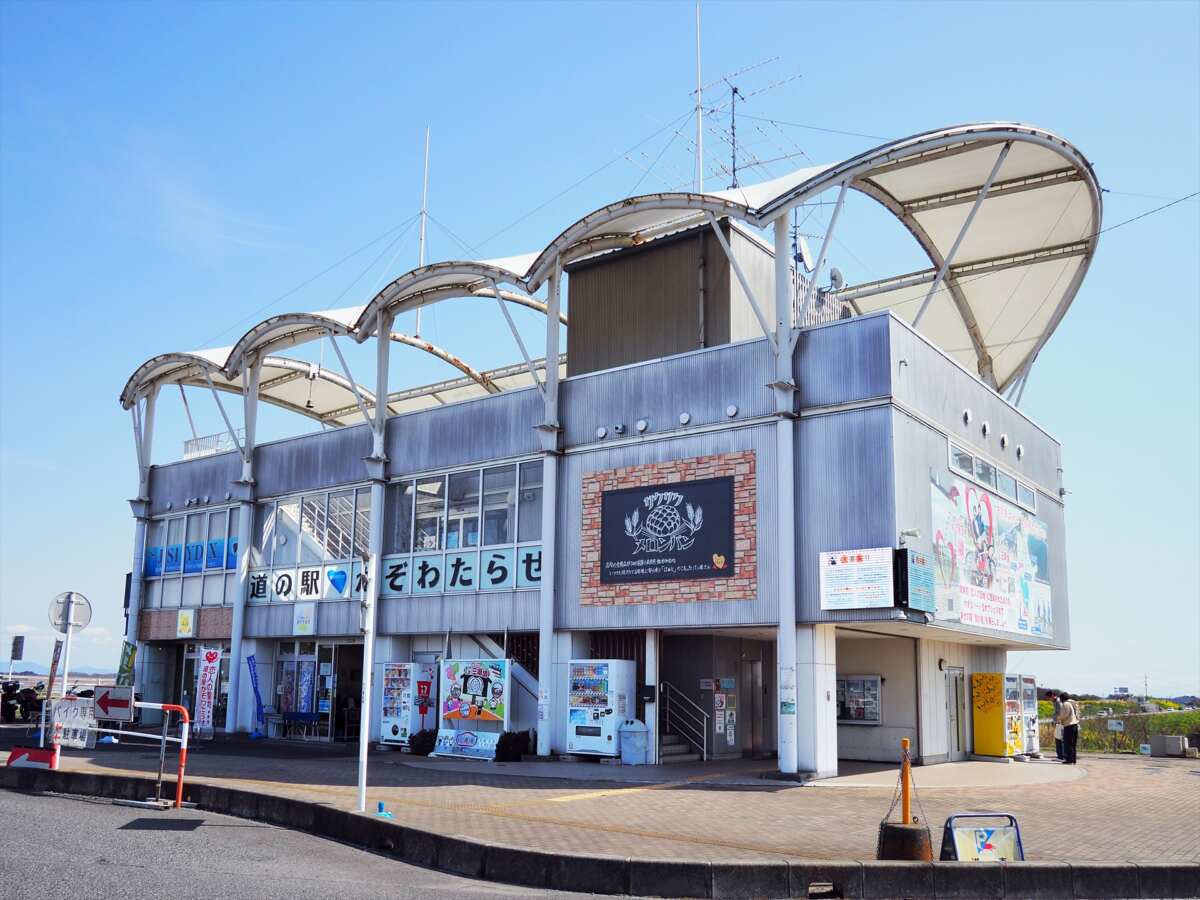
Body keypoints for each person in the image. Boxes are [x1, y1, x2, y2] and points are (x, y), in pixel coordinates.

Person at [1057, 691, 1080, 764]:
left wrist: (1059, 718)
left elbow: (1064, 715)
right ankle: (1073, 759)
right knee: (1073, 744)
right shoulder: (1072, 703)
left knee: (1068, 744)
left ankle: (1069, 760)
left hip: (1069, 725)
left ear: (1062, 698)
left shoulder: (1065, 704)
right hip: (1075, 725)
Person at [1049, 691, 1065, 760]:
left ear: (1053, 695)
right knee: (1059, 739)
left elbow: (1060, 714)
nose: (1049, 699)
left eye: (1049, 697)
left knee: (1059, 739)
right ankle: (1061, 756)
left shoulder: (1058, 703)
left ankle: (1061, 756)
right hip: (1058, 723)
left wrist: (1056, 722)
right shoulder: (1055, 702)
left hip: (1060, 723)